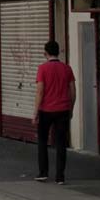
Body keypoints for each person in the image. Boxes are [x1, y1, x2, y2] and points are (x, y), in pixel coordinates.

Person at [32, 40, 75, 184]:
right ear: (58, 52)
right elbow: (72, 91)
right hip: (63, 110)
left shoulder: (42, 69)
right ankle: (60, 176)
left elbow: (40, 91)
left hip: (46, 110)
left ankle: (43, 172)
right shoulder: (67, 68)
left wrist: (35, 112)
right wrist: (71, 108)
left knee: (43, 142)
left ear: (46, 53)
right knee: (61, 143)